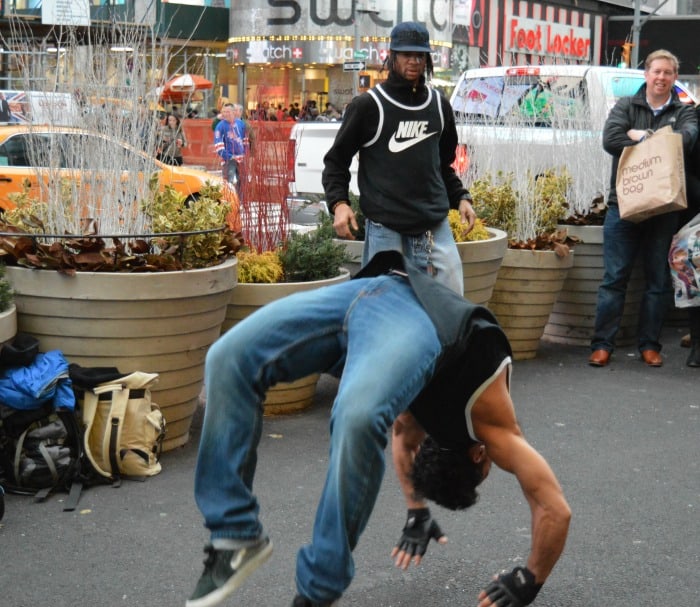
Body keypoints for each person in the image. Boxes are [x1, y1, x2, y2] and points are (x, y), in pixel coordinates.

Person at [186, 250, 571, 607]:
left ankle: (317, 588)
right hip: (398, 300)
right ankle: (235, 532)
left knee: (353, 414)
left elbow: (403, 443)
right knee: (229, 359)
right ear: (477, 453)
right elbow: (554, 509)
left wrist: (416, 511)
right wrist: (528, 580)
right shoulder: (492, 427)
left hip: (381, 299)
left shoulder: (418, 419)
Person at [322, 21, 476, 295]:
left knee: (451, 298)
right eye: (406, 54)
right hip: (386, 225)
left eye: (420, 55)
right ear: (391, 56)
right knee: (383, 305)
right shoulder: (369, 106)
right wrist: (339, 203)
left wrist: (461, 197)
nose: (414, 61)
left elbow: (442, 165)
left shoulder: (439, 105)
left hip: (432, 223)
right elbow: (336, 161)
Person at [588, 49, 698, 368]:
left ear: (674, 78)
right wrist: (637, 135)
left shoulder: (684, 111)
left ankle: (649, 345)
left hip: (664, 208)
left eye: (667, 72)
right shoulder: (626, 105)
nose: (661, 77)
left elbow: (687, 140)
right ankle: (602, 345)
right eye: (656, 71)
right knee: (614, 278)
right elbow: (610, 139)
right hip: (623, 205)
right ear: (646, 74)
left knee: (657, 281)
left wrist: (640, 136)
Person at [673, 102, 700, 366]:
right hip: (693, 212)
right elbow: (682, 167)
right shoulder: (692, 117)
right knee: (693, 278)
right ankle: (697, 344)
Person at [214, 103, 247, 187]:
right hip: (228, 159)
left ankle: (241, 200)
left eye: (227, 112)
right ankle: (229, 200)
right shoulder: (220, 126)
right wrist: (229, 156)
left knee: (243, 183)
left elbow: (245, 140)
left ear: (233, 112)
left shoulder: (241, 124)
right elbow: (218, 146)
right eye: (223, 112)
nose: (225, 114)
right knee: (228, 183)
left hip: (242, 158)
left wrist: (246, 153)